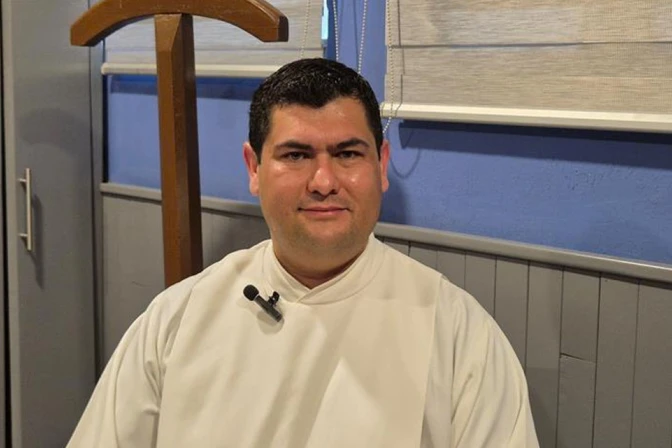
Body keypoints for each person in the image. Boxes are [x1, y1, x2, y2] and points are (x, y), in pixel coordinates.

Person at [68, 58, 539, 447]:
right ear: (254, 168)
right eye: (296, 155)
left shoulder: (459, 335)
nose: (324, 181)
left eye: (348, 154)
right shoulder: (175, 319)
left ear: (381, 165)